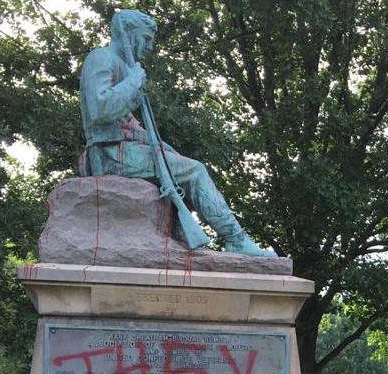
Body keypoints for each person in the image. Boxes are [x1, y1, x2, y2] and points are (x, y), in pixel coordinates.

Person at [78, 10, 272, 256]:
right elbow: (100, 109)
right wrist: (134, 81)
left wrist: (157, 143)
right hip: (108, 155)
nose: (148, 47)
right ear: (129, 35)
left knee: (174, 161)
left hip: (122, 151)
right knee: (195, 170)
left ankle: (180, 236)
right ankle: (235, 239)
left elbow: (128, 125)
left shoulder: (123, 68)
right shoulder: (101, 58)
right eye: (146, 39)